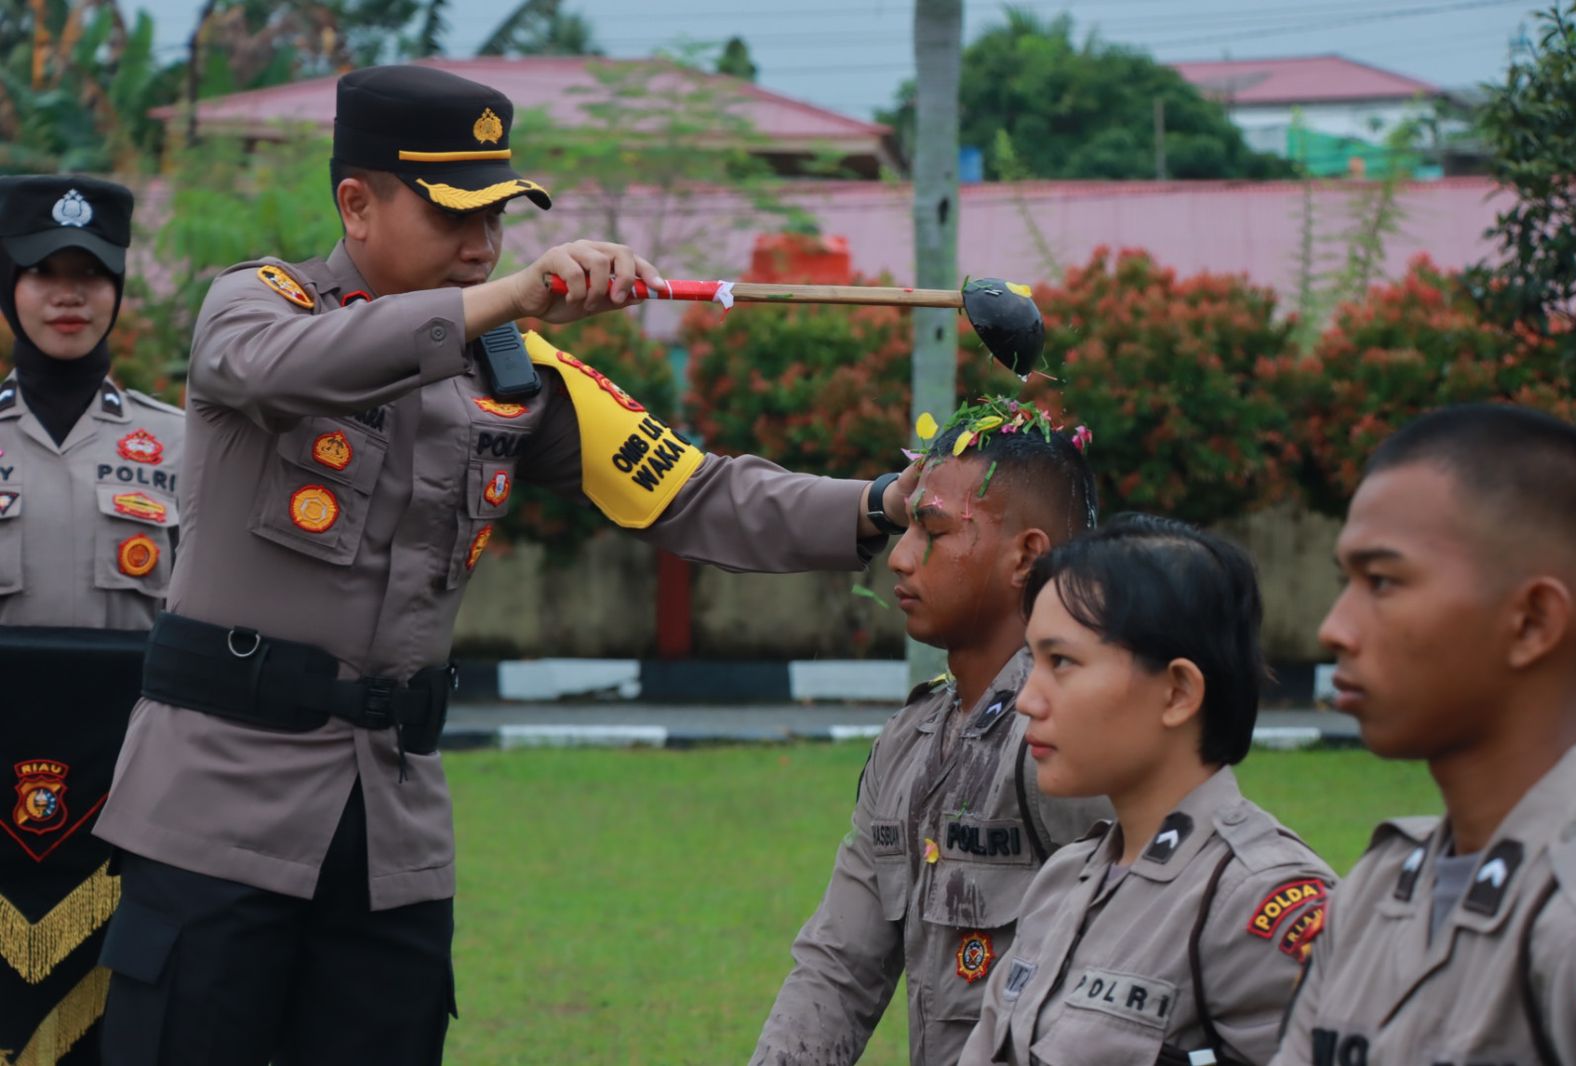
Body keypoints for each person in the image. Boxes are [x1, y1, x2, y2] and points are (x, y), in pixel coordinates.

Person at [91, 65, 914, 1066]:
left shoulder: (517, 374)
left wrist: (880, 507)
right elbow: (282, 369)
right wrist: (507, 296)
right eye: (452, 214)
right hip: (214, 816)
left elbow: (697, 493)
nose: (481, 243)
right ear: (356, 203)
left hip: (390, 838)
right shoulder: (254, 309)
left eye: (498, 217)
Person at [751, 400, 1113, 1066]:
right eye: (906, 530)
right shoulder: (911, 740)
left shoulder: (1069, 737)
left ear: (1026, 557)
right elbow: (838, 966)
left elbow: (1140, 968)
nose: (900, 558)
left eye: (934, 532)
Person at [1272, 405, 1576, 1066]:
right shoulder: (1374, 891)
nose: (1335, 628)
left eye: (1383, 582)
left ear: (1533, 622)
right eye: (1346, 582)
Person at [960, 515, 1334, 1066]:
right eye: (1031, 661)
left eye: (1061, 662)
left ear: (1178, 692)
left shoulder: (1256, 905)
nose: (1026, 699)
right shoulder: (1064, 881)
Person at [0, 175, 182, 1066]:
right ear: (9, 284)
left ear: (118, 288)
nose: (69, 295)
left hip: (135, 799)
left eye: (91, 274)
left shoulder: (182, 447)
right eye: (43, 273)